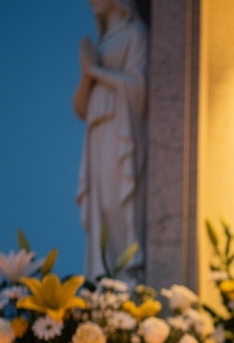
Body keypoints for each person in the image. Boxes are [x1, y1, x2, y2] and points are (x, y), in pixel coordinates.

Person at [74, 0, 149, 283]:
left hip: (121, 130)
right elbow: (80, 107)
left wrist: (96, 72)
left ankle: (126, 279)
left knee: (116, 204)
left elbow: (139, 87)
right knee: (99, 207)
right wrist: (86, 76)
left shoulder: (135, 34)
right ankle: (103, 282)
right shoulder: (101, 43)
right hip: (97, 133)